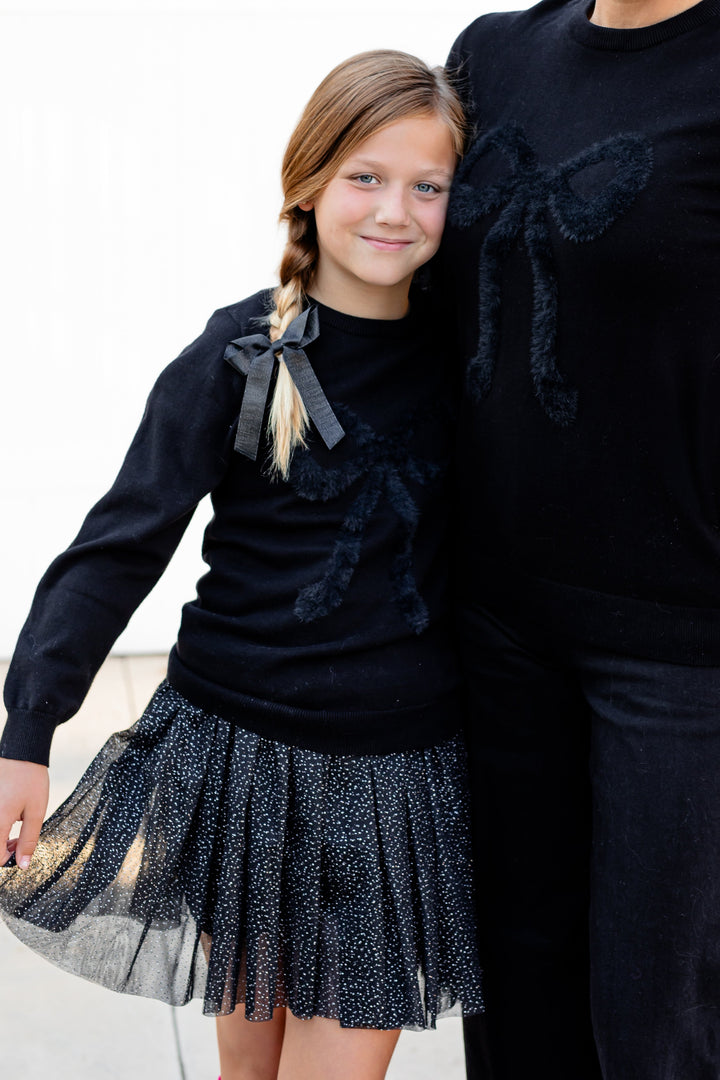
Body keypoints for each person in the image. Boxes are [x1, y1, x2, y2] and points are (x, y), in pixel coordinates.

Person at [0, 50, 483, 1080]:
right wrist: (28, 727)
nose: (394, 210)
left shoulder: (466, 360)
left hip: (393, 773)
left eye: (427, 185)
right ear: (308, 184)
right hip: (239, 758)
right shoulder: (240, 357)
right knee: (248, 1066)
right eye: (365, 176)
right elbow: (119, 543)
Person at [440, 0, 720, 1077]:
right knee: (516, 1009)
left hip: (681, 648)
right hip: (499, 624)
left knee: (657, 1026)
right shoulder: (493, 55)